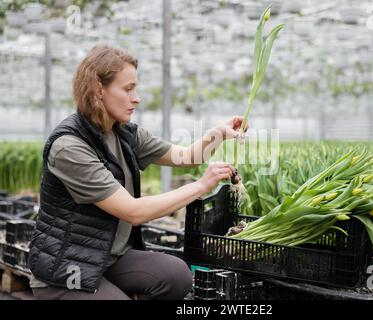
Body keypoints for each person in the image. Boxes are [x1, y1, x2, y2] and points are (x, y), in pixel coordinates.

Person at [28, 45, 248, 300]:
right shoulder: (69, 146)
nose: (137, 97)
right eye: (128, 88)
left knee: (176, 275)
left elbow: (187, 157)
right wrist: (201, 186)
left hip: (108, 259)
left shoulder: (124, 133)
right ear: (99, 90)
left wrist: (219, 132)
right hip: (67, 270)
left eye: (136, 88)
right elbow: (133, 212)